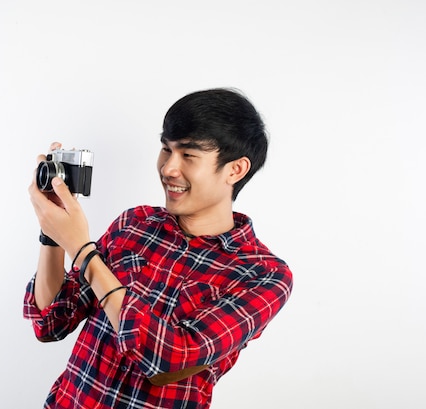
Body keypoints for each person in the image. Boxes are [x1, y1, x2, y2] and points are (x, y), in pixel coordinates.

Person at [24, 88, 293, 408]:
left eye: (188, 155)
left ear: (234, 169)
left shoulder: (264, 276)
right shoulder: (134, 223)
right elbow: (51, 323)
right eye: (166, 149)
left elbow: (167, 362)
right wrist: (53, 233)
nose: (168, 168)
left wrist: (82, 250)